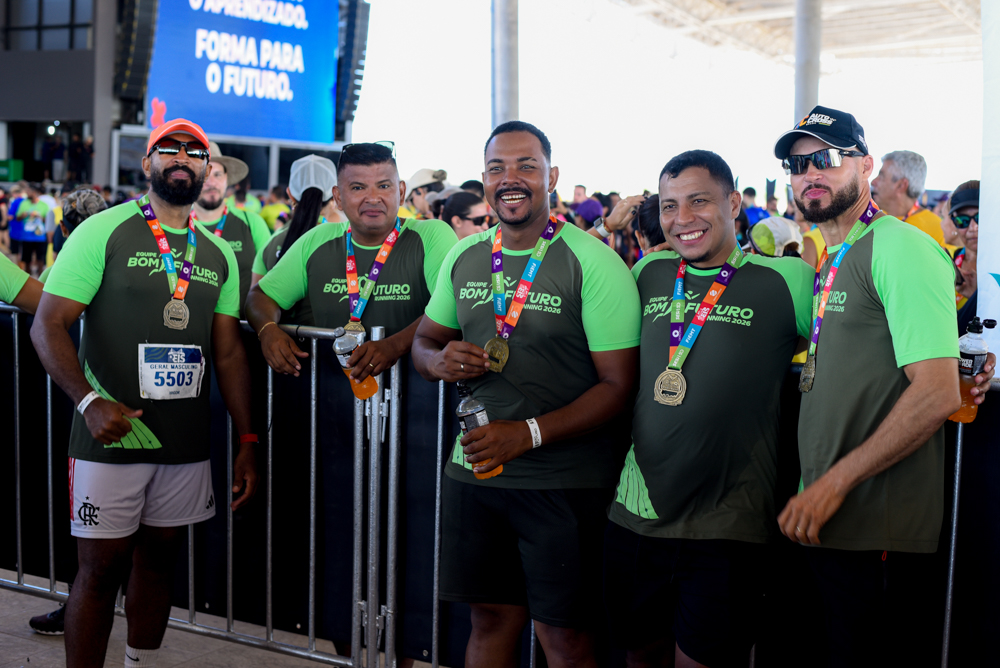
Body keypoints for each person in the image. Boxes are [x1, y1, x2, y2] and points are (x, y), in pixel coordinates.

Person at [30, 118, 258, 668]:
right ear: (147, 162)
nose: (181, 158)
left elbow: (228, 353)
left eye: (194, 152)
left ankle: (140, 663)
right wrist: (89, 402)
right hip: (111, 437)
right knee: (99, 571)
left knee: (158, 565)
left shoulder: (217, 253)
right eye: (168, 149)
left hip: (183, 443)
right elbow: (47, 325)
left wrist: (248, 438)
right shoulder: (104, 230)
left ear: (207, 168)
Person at [412, 120, 640, 667]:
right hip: (476, 473)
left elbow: (618, 387)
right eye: (497, 168)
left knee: (565, 639)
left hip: (565, 484)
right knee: (490, 621)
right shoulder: (465, 256)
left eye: (526, 166)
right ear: (485, 179)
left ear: (551, 177)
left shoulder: (592, 261)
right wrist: (437, 361)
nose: (510, 179)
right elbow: (423, 341)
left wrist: (528, 434)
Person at [772, 105, 994, 667]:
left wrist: (834, 482)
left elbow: (937, 391)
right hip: (827, 519)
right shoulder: (831, 254)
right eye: (796, 165)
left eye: (826, 158)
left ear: (866, 166)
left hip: (874, 527)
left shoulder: (900, 245)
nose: (809, 173)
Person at [605, 150, 813, 668]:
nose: (683, 218)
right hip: (637, 516)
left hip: (728, 524)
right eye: (669, 206)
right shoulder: (649, 271)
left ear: (733, 204)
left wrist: (967, 360)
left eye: (699, 201)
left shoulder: (787, 280)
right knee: (639, 656)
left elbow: (858, 340)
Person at [246, 142, 457, 382]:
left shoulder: (432, 234)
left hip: (415, 397)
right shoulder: (317, 240)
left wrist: (395, 346)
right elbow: (260, 296)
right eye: (358, 187)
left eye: (384, 186)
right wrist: (267, 330)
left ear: (400, 192)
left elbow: (450, 305)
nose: (373, 198)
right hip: (329, 397)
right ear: (338, 197)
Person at [250, 154, 339, 324]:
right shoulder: (349, 240)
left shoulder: (271, 242)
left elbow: (256, 303)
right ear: (336, 195)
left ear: (290, 194)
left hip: (280, 338)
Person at [191, 141, 272, 315]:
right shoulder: (177, 224)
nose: (212, 183)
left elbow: (272, 279)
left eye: (218, 175)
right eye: (204, 175)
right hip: (190, 325)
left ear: (227, 179)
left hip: (242, 326)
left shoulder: (252, 223)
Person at [870, 150, 946, 246]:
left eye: (882, 176)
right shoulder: (871, 220)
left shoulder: (938, 230)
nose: (873, 182)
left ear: (901, 185)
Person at [940, 180, 979, 332]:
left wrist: (979, 296)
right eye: (962, 221)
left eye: (980, 217)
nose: (973, 228)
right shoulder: (947, 261)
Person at [17, 183, 51, 277]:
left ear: (35, 192)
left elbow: (47, 220)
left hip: (40, 236)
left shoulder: (43, 205)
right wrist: (23, 215)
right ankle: (28, 277)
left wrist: (40, 217)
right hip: (26, 236)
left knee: (40, 258)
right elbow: (17, 217)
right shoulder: (24, 203)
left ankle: (40, 277)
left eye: (29, 191)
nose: (27, 193)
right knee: (26, 259)